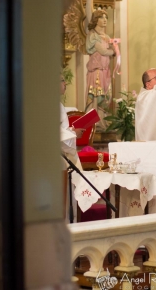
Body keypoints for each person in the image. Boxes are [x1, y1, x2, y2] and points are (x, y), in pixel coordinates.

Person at [60, 75, 85, 222]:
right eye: (62, 80)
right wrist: (72, 133)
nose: (65, 84)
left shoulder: (59, 105)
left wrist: (70, 131)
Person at [85, 10, 116, 131]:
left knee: (105, 97)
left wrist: (114, 49)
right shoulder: (92, 35)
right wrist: (113, 51)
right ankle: (94, 124)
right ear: (95, 19)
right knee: (96, 96)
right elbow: (103, 51)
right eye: (101, 17)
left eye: (106, 17)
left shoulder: (107, 37)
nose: (104, 20)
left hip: (105, 70)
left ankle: (103, 122)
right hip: (96, 71)